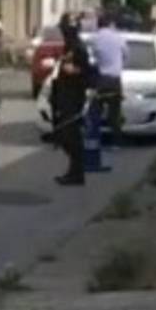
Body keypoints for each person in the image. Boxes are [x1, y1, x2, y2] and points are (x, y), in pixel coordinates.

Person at [50, 11, 95, 186]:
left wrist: (74, 71)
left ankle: (77, 173)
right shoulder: (69, 47)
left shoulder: (79, 48)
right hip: (64, 95)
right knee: (64, 135)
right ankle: (73, 171)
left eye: (64, 30)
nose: (62, 33)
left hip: (74, 97)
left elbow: (87, 73)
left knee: (71, 136)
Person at [91, 11, 127, 148]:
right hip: (115, 79)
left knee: (96, 110)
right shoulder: (118, 37)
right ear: (111, 24)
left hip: (101, 79)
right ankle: (116, 142)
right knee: (115, 112)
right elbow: (126, 53)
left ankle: (94, 139)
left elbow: (95, 55)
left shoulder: (96, 38)